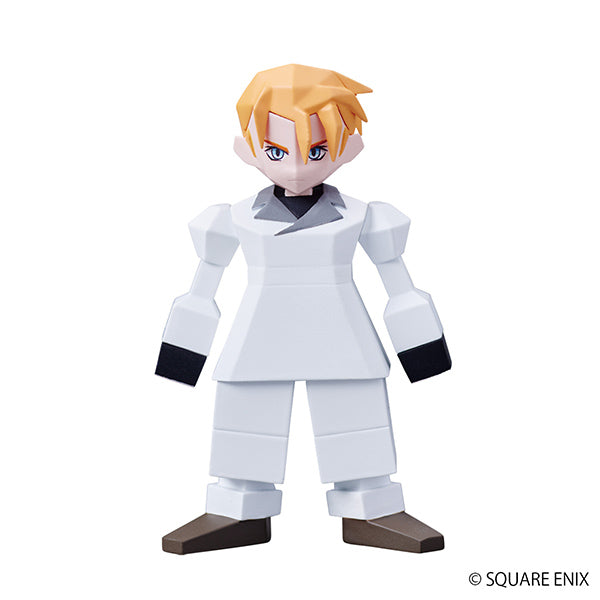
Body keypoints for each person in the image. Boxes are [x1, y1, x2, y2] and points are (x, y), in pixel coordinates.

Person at [156, 64, 451, 554]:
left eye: (316, 150)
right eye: (276, 150)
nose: (295, 167)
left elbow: (399, 287)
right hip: (259, 335)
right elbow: (201, 291)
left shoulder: (364, 216)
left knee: (356, 420)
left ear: (349, 149)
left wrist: (422, 352)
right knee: (246, 425)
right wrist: (181, 357)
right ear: (247, 149)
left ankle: (371, 509)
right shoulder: (231, 219)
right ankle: (237, 509)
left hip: (343, 335)